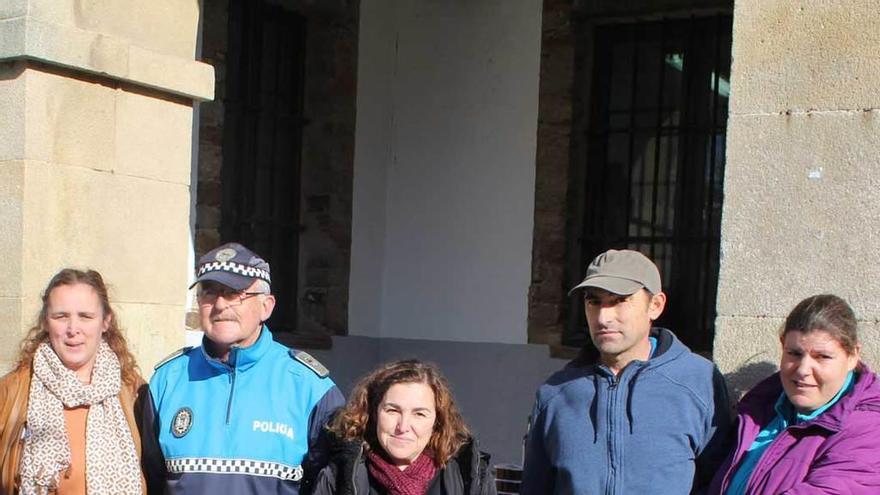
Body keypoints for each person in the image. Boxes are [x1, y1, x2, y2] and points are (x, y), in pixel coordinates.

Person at [521, 249, 731, 495]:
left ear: (655, 305)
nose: (604, 316)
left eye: (619, 300)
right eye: (594, 301)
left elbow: (719, 482)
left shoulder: (698, 381)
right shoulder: (556, 393)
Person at [141, 242, 344, 494]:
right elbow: (150, 478)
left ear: (266, 306)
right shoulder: (167, 381)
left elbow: (333, 481)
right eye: (209, 292)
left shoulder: (309, 386)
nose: (220, 305)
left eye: (234, 293)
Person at [708, 294, 880, 494]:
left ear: (852, 356)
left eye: (822, 356)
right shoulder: (762, 407)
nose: (803, 369)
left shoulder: (868, 428)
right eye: (794, 354)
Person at [0, 268, 147, 494]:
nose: (73, 329)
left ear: (105, 322)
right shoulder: (12, 392)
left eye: (86, 316)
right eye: (61, 316)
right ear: (46, 322)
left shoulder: (134, 394)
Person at [312, 359, 496, 495]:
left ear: (437, 421)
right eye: (393, 410)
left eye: (419, 414)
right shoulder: (342, 474)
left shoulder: (468, 476)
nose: (403, 426)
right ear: (375, 413)